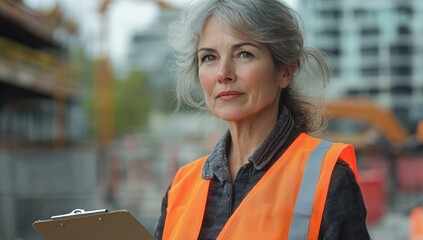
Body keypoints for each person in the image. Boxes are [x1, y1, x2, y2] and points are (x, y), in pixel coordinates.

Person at [155, 0, 371, 239]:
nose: (223, 73)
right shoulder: (181, 186)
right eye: (209, 57)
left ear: (285, 71)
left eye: (244, 54)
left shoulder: (328, 177)